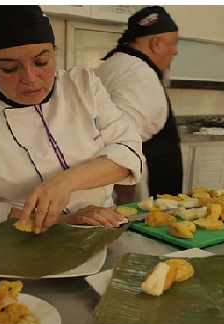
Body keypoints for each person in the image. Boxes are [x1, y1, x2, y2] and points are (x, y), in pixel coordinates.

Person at [0, 5, 145, 234]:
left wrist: (65, 182)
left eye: (42, 62)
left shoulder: (83, 85)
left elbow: (129, 151)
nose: (30, 78)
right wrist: (61, 220)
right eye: (9, 68)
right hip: (22, 238)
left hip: (102, 225)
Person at [94, 5, 182, 205]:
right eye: (174, 44)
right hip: (144, 203)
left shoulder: (113, 65)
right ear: (156, 43)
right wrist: (125, 206)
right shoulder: (137, 75)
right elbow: (122, 146)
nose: (176, 51)